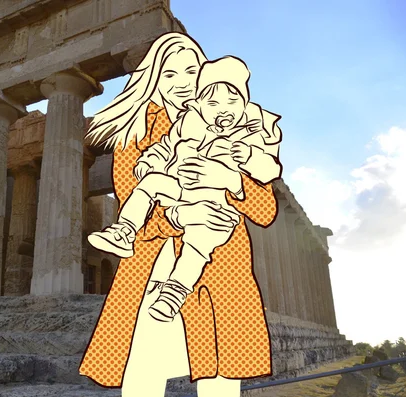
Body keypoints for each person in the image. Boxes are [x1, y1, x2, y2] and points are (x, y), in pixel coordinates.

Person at [79, 32, 278, 397]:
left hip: (222, 268)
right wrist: (185, 215)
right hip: (153, 269)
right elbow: (134, 199)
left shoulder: (241, 129)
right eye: (169, 74)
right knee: (142, 378)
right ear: (153, 78)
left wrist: (231, 179)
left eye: (190, 71)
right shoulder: (135, 133)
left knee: (220, 379)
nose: (182, 83)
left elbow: (265, 211)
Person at [87, 56, 283, 322]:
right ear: (199, 104)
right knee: (150, 183)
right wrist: (149, 162)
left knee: (198, 246)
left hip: (217, 208)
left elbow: (266, 198)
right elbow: (165, 147)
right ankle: (124, 230)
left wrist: (241, 165)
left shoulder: (254, 132)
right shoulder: (181, 125)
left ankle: (174, 294)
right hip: (181, 193)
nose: (222, 109)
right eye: (212, 103)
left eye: (232, 101)